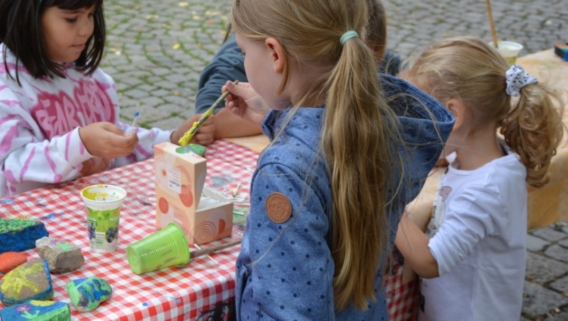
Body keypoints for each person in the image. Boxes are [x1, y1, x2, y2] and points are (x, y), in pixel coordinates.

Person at [221, 0, 454, 319]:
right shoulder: (375, 124)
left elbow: (289, 309)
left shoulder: (283, 173)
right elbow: (324, 152)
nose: (244, 61)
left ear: (275, 54)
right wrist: (276, 118)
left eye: (244, 52)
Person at [0, 0, 215, 207]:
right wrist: (80, 145)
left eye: (91, 14)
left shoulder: (86, 75)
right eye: (71, 18)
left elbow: (114, 141)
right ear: (27, 14)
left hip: (84, 218)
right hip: (13, 226)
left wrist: (170, 139)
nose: (86, 30)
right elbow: (8, 174)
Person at [394, 37, 564, 320]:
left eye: (421, 113)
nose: (418, 124)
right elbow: (452, 158)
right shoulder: (487, 158)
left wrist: (388, 204)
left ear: (452, 114)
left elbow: (429, 261)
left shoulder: (486, 189)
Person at [197, 0, 401, 140]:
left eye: (244, 53)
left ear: (275, 54)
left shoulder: (280, 168)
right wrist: (272, 116)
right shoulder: (393, 129)